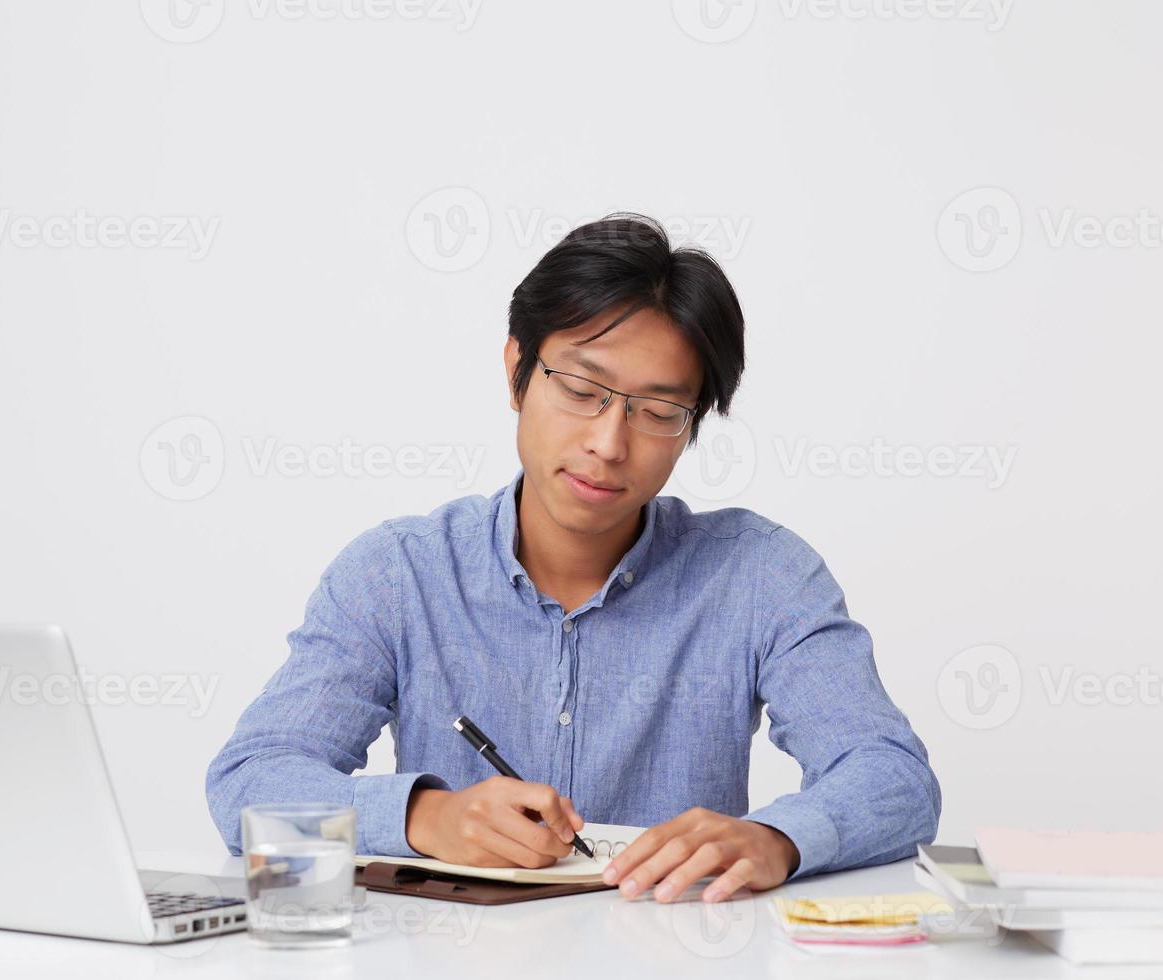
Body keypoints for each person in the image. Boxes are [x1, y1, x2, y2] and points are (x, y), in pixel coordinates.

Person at [207, 213, 940, 904]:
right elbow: (249, 780)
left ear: (693, 426)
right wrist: (424, 816)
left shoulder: (759, 574)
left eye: (658, 412)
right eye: (583, 391)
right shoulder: (399, 573)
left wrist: (777, 838)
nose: (609, 444)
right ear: (517, 370)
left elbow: (893, 779)